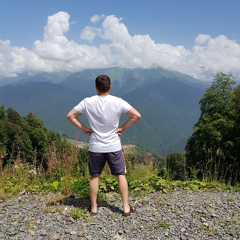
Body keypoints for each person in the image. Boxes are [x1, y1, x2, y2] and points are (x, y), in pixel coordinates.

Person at [66, 75, 141, 216]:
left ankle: (94, 208)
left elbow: (70, 115)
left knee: (94, 176)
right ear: (110, 87)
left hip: (95, 146)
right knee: (120, 175)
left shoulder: (87, 102)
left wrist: (84, 129)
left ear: (96, 88)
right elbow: (136, 115)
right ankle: (125, 207)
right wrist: (122, 128)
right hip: (113, 146)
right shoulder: (118, 102)